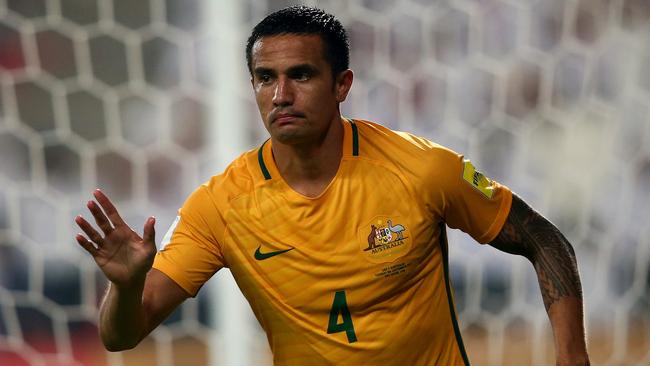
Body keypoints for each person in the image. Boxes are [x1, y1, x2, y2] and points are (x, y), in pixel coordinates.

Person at [74, 6, 590, 365]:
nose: (280, 95)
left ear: (342, 84)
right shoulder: (221, 205)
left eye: (301, 75)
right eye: (264, 77)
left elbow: (546, 242)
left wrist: (572, 357)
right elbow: (122, 336)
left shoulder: (420, 169)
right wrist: (125, 285)